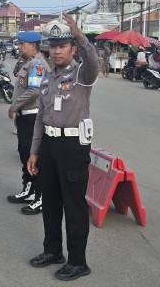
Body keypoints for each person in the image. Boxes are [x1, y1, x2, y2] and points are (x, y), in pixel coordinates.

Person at [26, 14, 98, 281]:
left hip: (72, 146)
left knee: (74, 205)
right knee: (52, 201)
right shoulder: (47, 78)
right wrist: (34, 152)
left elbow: (93, 61)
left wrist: (80, 34)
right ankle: (53, 250)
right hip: (49, 143)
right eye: (53, 46)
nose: (56, 50)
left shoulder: (82, 74)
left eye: (62, 46)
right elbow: (40, 119)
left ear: (72, 49)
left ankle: (78, 262)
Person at [7, 32, 50, 216]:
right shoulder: (29, 62)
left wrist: (14, 105)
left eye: (22, 44)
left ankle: (40, 197)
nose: (19, 47)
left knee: (34, 157)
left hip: (33, 117)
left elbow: (34, 90)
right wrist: (18, 112)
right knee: (24, 153)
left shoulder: (38, 64)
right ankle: (29, 190)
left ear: (33, 45)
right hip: (25, 115)